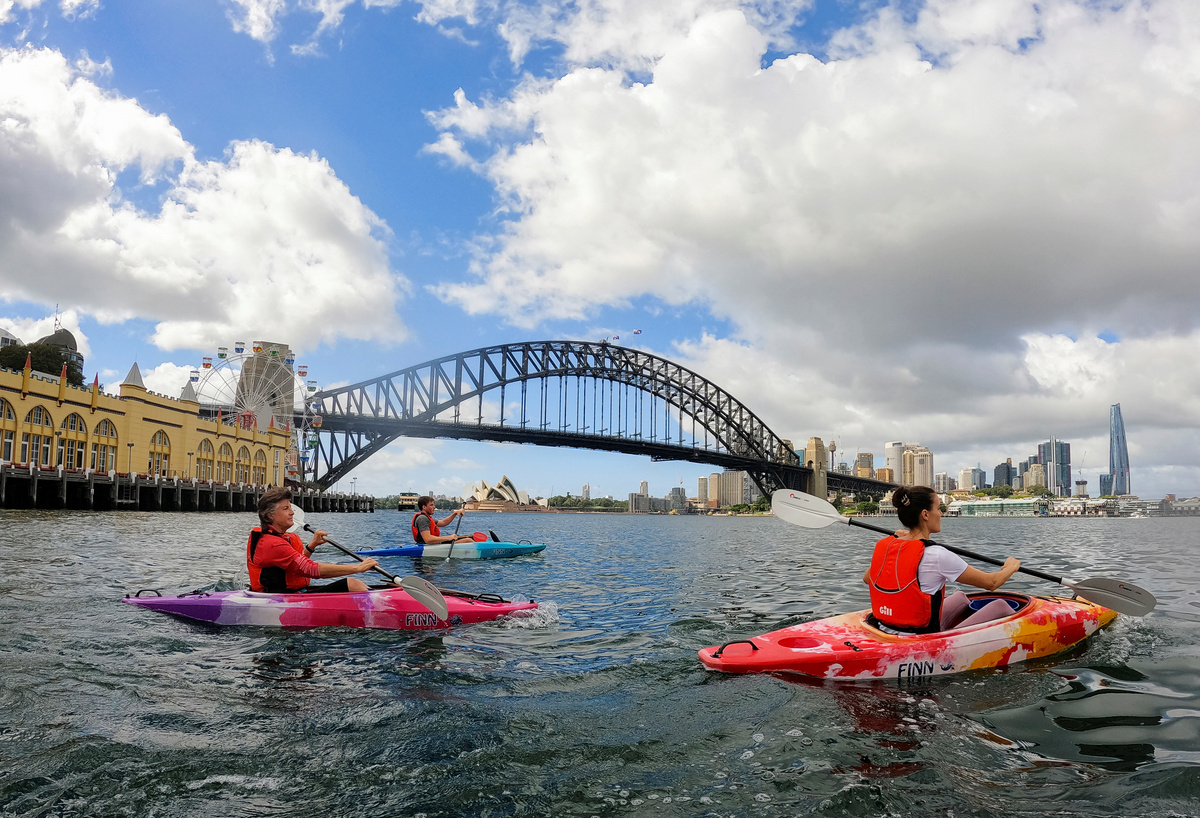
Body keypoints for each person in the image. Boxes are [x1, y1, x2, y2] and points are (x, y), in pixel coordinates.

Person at [863, 485, 1021, 633]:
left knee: (960, 597)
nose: (941, 514)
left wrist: (901, 540)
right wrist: (1011, 567)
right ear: (925, 515)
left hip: (885, 628)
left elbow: (867, 579)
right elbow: (991, 583)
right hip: (920, 638)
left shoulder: (889, 546)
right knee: (1001, 605)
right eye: (938, 509)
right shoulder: (937, 555)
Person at [247, 486, 379, 593]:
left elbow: (296, 565)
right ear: (270, 515)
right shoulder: (272, 544)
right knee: (352, 584)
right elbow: (309, 569)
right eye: (286, 509)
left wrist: (312, 545)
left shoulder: (277, 537)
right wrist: (357, 568)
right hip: (279, 600)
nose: (292, 512)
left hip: (292, 594)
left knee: (354, 584)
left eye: (291, 507)